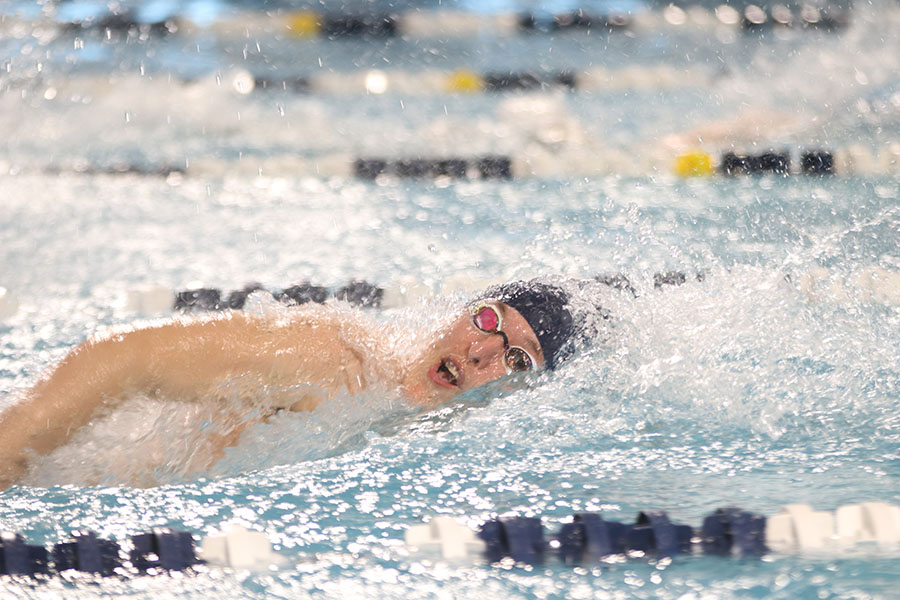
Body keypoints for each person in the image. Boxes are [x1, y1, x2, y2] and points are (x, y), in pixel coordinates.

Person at [0, 279, 581, 490]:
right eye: (487, 321)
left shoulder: (436, 439)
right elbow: (125, 359)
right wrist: (12, 449)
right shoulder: (335, 362)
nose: (481, 353)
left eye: (517, 360)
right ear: (464, 312)